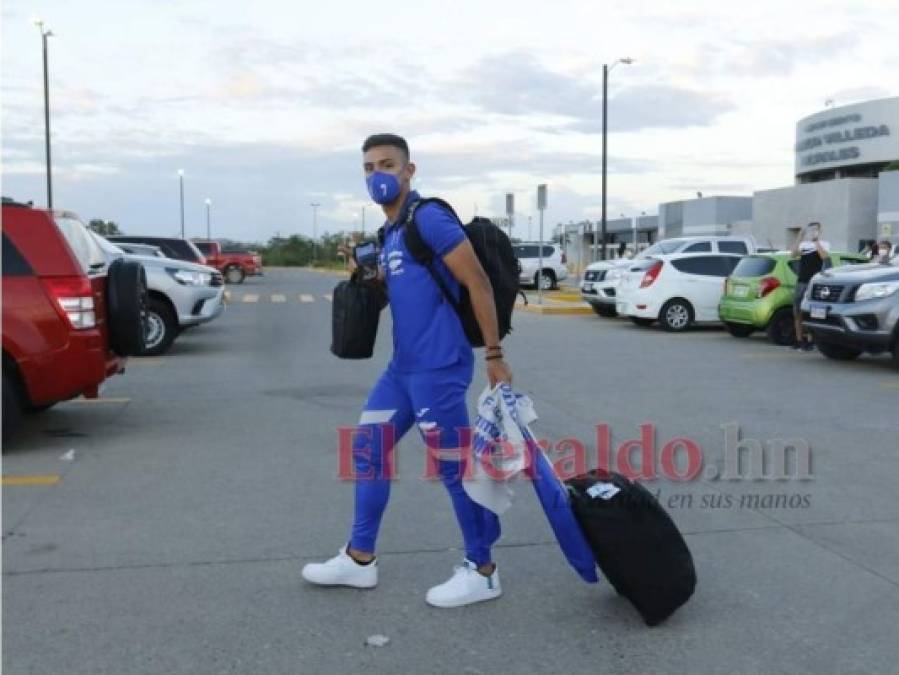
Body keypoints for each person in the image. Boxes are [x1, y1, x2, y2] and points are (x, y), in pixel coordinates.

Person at [302, 134, 513, 608]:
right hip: (403, 370)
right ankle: (359, 560)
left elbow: (476, 281)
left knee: (454, 469)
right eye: (369, 166)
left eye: (387, 164)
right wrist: (366, 274)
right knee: (368, 448)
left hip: (438, 367)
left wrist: (495, 356)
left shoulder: (428, 218)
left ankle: (483, 570)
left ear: (408, 170)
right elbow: (400, 290)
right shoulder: (391, 233)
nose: (378, 174)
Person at [790, 222, 830, 351]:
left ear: (819, 231)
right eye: (811, 229)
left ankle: (810, 340)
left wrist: (816, 241)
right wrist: (799, 236)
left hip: (814, 282)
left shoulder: (824, 244)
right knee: (797, 311)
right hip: (801, 281)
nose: (812, 231)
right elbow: (793, 254)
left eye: (815, 229)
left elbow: (824, 256)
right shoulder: (803, 245)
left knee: (811, 312)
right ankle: (798, 340)